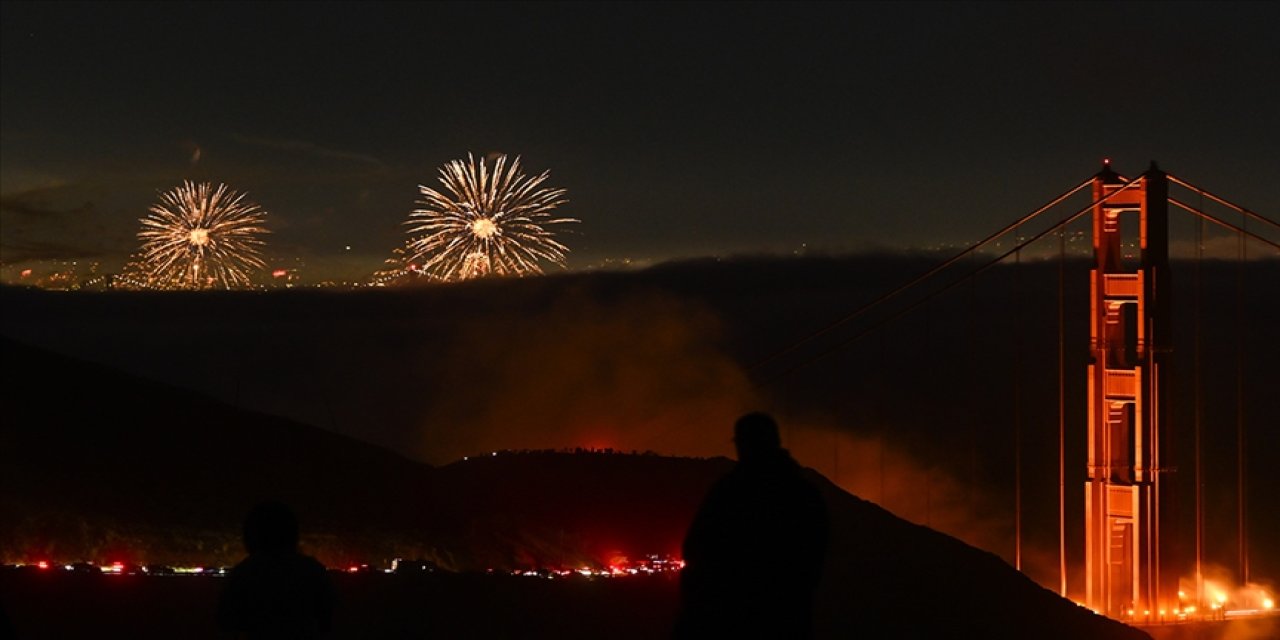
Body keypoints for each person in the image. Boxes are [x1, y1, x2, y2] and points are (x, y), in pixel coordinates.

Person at [674, 412, 829, 639]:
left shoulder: (729, 493)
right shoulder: (806, 494)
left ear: (744, 444)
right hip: (789, 619)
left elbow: (696, 549)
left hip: (730, 620)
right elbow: (815, 559)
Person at [216, 501, 336, 639]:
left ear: (251, 536)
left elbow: (226, 622)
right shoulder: (312, 571)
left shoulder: (244, 574)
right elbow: (328, 619)